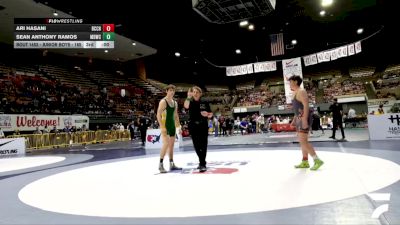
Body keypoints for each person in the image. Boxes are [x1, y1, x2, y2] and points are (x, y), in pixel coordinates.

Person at [289, 75, 324, 170]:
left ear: (295, 82)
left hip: (304, 118)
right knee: (302, 142)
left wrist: (304, 120)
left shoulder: (301, 91)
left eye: (290, 81)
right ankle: (305, 162)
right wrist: (294, 120)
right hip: (299, 118)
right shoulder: (295, 93)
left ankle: (317, 160)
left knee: (303, 142)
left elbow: (306, 106)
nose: (289, 84)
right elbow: (297, 109)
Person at [184, 86, 213, 172]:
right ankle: (202, 161)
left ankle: (202, 163)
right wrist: (188, 97)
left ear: (200, 94)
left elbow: (211, 114)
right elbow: (186, 106)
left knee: (203, 145)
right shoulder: (190, 102)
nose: (196, 93)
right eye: (194, 92)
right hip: (193, 125)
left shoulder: (205, 102)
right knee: (196, 145)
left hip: (203, 125)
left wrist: (207, 114)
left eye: (197, 92)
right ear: (192, 93)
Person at [156, 84, 182, 173]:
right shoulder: (163, 101)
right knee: (166, 144)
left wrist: (179, 127)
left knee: (171, 146)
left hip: (172, 127)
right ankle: (160, 165)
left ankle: (171, 164)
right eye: (170, 90)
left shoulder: (175, 103)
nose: (172, 92)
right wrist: (162, 126)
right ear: (166, 91)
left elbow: (175, 115)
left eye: (173, 91)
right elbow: (158, 114)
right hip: (165, 126)